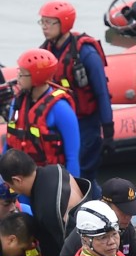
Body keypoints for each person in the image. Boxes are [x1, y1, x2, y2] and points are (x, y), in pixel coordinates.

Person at [39, 0, 114, 198]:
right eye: (42, 22)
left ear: (63, 23)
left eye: (49, 23)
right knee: (64, 174)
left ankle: (97, 210)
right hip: (61, 123)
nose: (45, 27)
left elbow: (101, 92)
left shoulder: (85, 53)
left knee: (84, 174)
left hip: (86, 122)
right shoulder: (45, 51)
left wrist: (108, 131)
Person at [0, 149, 91, 256]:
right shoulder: (56, 170)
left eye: (11, 186)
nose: (14, 191)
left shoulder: (47, 207)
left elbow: (70, 253)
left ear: (17, 180)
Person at [6, 49, 80, 177]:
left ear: (37, 76)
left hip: (47, 180)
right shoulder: (17, 103)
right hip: (19, 179)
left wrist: (70, 189)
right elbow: (9, 143)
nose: (18, 77)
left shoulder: (60, 108)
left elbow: (72, 156)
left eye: (22, 74)